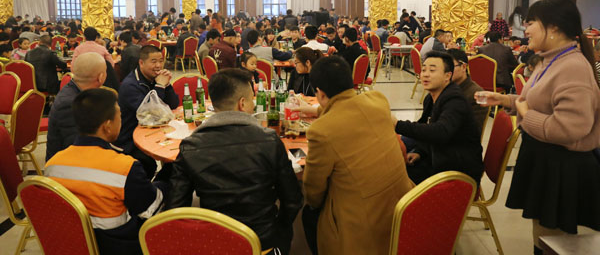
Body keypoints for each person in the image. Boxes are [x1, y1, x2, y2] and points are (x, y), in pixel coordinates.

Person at [477, 0, 600, 254]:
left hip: (561, 165)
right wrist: (505, 100)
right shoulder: (549, 60)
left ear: (553, 27)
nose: (526, 29)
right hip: (544, 158)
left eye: (531, 22)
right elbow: (539, 103)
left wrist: (525, 112)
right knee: (543, 236)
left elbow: (569, 129)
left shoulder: (573, 66)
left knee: (552, 242)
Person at [167, 69, 303, 255]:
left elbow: (175, 209)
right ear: (242, 103)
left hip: (215, 244)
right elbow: (293, 200)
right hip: (263, 244)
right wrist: (279, 230)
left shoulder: (190, 146)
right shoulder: (269, 141)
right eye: (252, 99)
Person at [302, 56, 414, 255]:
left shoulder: (321, 131)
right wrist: (315, 109)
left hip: (364, 223)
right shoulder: (378, 100)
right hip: (404, 203)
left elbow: (314, 190)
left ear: (320, 92)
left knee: (309, 214)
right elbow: (346, 107)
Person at [45, 88, 168, 255]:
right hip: (117, 245)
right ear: (108, 126)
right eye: (119, 116)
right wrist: (166, 182)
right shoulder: (124, 167)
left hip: (74, 241)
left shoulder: (53, 165)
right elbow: (151, 209)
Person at [394, 51, 483, 185]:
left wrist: (397, 125)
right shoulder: (431, 98)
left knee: (397, 179)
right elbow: (427, 126)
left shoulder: (455, 99)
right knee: (397, 168)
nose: (425, 74)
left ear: (447, 76)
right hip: (438, 156)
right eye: (424, 70)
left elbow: (440, 131)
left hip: (456, 171)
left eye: (432, 70)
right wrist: (420, 152)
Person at [117, 45, 179, 177]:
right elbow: (152, 113)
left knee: (180, 152)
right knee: (150, 164)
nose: (158, 65)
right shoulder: (130, 85)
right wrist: (160, 86)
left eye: (161, 61)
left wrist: (167, 85)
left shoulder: (155, 78)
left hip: (155, 130)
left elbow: (174, 105)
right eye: (153, 61)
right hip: (131, 139)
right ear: (141, 63)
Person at [46, 52, 107, 161]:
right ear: (101, 77)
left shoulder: (77, 91)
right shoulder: (70, 104)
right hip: (67, 166)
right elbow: (78, 151)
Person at [447, 49, 488, 132]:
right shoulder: (445, 88)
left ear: (463, 67)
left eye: (450, 67)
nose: (447, 72)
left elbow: (475, 130)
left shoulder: (477, 94)